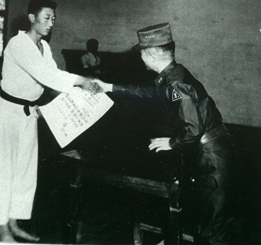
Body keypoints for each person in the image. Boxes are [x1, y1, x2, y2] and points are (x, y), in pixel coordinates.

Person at [98, 23, 239, 245]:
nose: (141, 58)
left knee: (214, 227)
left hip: (213, 157)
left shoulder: (176, 84)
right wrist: (109, 87)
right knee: (208, 218)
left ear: (151, 54)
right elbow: (147, 92)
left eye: (142, 53)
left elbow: (193, 128)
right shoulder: (172, 74)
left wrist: (172, 143)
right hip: (210, 150)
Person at [0, 0, 103, 242]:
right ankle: (2, 230)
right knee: (4, 171)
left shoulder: (44, 47)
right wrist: (81, 81)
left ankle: (14, 223)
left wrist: (82, 94)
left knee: (25, 171)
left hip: (29, 113)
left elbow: (54, 76)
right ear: (31, 18)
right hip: (8, 113)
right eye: (46, 18)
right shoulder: (18, 44)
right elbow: (47, 75)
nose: (51, 23)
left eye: (53, 19)